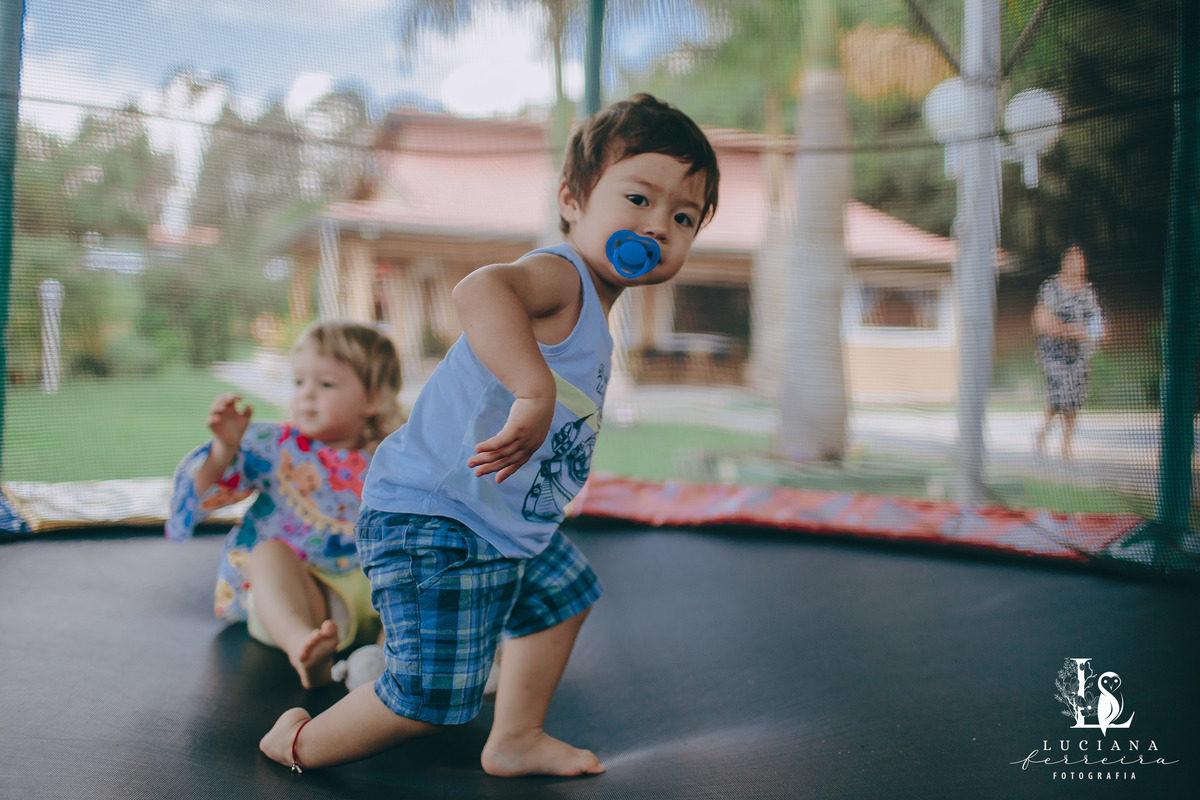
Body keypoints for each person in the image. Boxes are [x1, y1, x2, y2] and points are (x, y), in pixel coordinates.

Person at [258, 93, 721, 777]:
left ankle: (515, 738)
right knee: (429, 699)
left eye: (682, 217)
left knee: (563, 599)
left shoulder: (594, 310)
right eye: (639, 200)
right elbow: (479, 291)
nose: (658, 227)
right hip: (435, 516)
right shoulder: (560, 276)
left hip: (501, 523)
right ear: (572, 200)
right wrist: (534, 389)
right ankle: (296, 744)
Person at [167, 320, 405, 689]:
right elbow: (202, 498)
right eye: (299, 382)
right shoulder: (274, 446)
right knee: (267, 555)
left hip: (375, 601)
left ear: (372, 398)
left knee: (418, 561)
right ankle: (304, 648)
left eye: (325, 384)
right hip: (301, 600)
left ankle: (388, 662)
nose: (306, 394)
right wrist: (223, 451)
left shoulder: (395, 456)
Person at [1033, 244, 1104, 459]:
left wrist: (1096, 334)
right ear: (1065, 262)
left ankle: (1065, 443)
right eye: (1074, 260)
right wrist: (1072, 332)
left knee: (1074, 397)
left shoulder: (1087, 290)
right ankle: (1044, 433)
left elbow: (1095, 320)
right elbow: (1043, 320)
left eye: (1081, 260)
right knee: (1060, 392)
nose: (1079, 264)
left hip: (1079, 353)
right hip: (1054, 351)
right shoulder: (1051, 287)